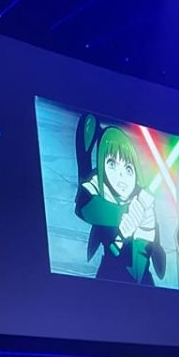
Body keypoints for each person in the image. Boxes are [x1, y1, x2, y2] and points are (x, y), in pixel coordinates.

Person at [74, 114, 165, 284]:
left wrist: (145, 225)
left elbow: (151, 259)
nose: (121, 175)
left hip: (144, 283)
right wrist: (125, 213)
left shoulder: (144, 202)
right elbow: (84, 207)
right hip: (109, 276)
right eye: (112, 164)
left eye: (128, 169)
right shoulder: (98, 192)